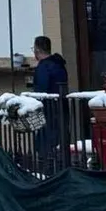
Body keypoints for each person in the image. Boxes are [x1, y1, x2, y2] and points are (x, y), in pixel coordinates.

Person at [31, 36, 68, 174]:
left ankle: (47, 172)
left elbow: (41, 90)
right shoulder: (59, 65)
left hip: (47, 111)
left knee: (45, 144)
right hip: (61, 110)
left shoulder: (44, 67)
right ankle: (60, 169)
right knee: (60, 141)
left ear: (37, 49)